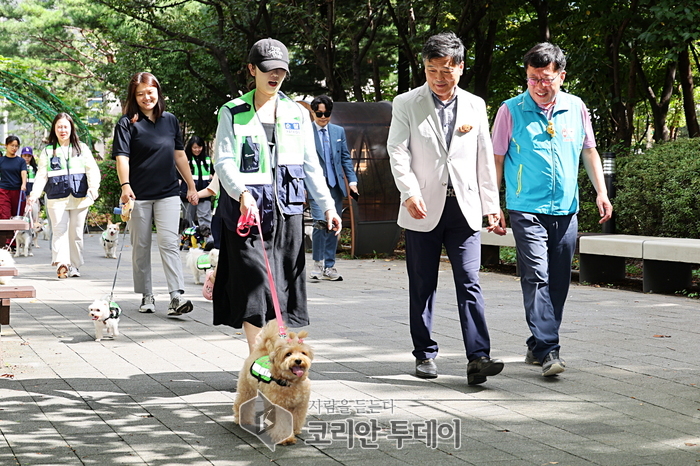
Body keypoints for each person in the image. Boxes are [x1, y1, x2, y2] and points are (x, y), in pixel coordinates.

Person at [386, 32, 503, 385]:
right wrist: (408, 192)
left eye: (446, 70)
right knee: (423, 283)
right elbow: (397, 150)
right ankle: (424, 354)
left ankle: (478, 357)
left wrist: (491, 204)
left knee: (470, 282)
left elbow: (484, 157)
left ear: (461, 68)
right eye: (431, 69)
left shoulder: (475, 105)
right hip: (422, 207)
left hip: (464, 208)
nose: (438, 77)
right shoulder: (406, 102)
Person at [491, 43, 613, 377]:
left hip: (565, 209)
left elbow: (589, 151)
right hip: (524, 207)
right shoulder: (510, 110)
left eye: (547, 79)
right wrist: (493, 204)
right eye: (533, 79)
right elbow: (496, 159)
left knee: (558, 281)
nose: (540, 87)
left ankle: (537, 345)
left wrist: (601, 193)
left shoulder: (576, 107)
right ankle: (549, 349)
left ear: (561, 75)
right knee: (536, 276)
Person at [213, 38, 341, 354]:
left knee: (280, 289)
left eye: (281, 71)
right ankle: (257, 359)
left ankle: (270, 357)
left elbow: (311, 164)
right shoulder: (233, 111)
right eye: (269, 70)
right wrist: (241, 193)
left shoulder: (296, 112)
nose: (275, 77)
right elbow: (224, 158)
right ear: (252, 69)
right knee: (254, 285)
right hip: (247, 212)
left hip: (288, 210)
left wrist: (327, 206)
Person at [112, 72, 199, 316]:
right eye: (140, 94)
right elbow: (122, 158)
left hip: (168, 192)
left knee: (169, 243)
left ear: (158, 92)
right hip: (138, 194)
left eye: (150, 92)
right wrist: (125, 186)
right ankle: (146, 295)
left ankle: (176, 296)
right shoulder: (127, 123)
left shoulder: (170, 120)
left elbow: (179, 155)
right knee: (140, 246)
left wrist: (191, 186)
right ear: (134, 96)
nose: (146, 97)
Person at [27, 113, 100, 278]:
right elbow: (41, 176)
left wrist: (93, 188)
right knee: (59, 231)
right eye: (59, 126)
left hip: (80, 197)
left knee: (75, 233)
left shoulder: (81, 148)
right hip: (56, 198)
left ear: (71, 128)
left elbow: (92, 170)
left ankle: (75, 266)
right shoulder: (48, 151)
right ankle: (62, 264)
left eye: (65, 126)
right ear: (54, 128)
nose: (62, 130)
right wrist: (34, 195)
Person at [307, 95, 358, 281]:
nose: (323, 117)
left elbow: (345, 158)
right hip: (315, 186)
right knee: (320, 222)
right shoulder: (306, 132)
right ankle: (317, 264)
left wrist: (352, 182)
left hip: (335, 185)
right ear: (313, 112)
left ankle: (330, 266)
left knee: (333, 225)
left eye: (326, 113)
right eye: (319, 113)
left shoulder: (338, 131)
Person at [182, 135, 214, 230]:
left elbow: (213, 173)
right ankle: (187, 242)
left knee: (205, 217)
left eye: (199, 147)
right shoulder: (185, 160)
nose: (197, 150)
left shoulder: (207, 160)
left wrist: (211, 178)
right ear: (190, 147)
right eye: (194, 147)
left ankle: (207, 241)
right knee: (188, 219)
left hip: (204, 194)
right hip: (188, 195)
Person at [0, 136, 27, 219]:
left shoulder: (21, 161)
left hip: (18, 191)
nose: (14, 148)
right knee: (5, 214)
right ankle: (6, 232)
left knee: (17, 216)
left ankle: (16, 232)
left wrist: (24, 184)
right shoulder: (1, 160)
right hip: (4, 191)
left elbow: (24, 173)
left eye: (16, 146)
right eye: (12, 145)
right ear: (6, 145)